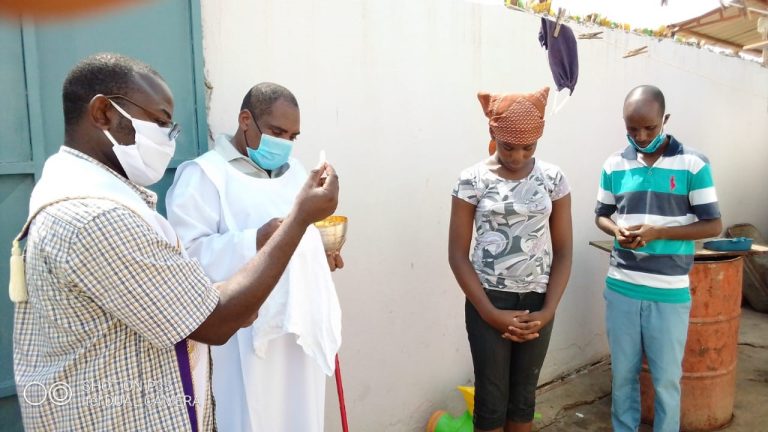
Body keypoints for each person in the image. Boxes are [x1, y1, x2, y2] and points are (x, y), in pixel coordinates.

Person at [11, 53, 338, 432]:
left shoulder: (104, 198)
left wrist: (311, 256)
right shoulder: (99, 217)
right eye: (161, 121)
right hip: (212, 360)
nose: (169, 137)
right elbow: (214, 316)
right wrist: (285, 228)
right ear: (102, 113)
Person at [166, 82, 342, 432]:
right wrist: (253, 241)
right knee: (251, 416)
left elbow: (303, 235)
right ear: (245, 119)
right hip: (240, 335)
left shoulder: (297, 174)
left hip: (298, 330)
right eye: (277, 131)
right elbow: (188, 258)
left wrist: (319, 256)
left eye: (293, 136)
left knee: (301, 417)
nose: (285, 144)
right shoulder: (204, 176)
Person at [594, 85, 722, 432]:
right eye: (632, 128)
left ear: (664, 120)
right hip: (622, 287)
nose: (640, 136)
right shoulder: (614, 164)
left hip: (669, 292)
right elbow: (602, 214)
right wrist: (616, 230)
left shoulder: (692, 163)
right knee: (622, 376)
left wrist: (658, 232)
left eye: (649, 128)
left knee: (666, 381)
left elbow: (713, 224)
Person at [448, 87, 573, 432]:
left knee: (523, 399)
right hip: (488, 300)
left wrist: (548, 310)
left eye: (528, 147)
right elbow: (457, 254)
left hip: (538, 303)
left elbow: (563, 251)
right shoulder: (471, 180)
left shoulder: (553, 179)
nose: (518, 156)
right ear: (492, 134)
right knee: (490, 400)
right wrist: (491, 314)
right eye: (508, 147)